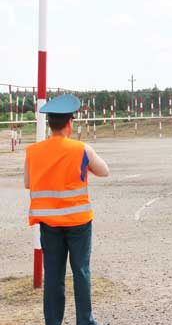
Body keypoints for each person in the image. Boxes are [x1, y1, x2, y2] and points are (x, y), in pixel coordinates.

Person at [24, 94, 109, 325]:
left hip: (49, 225)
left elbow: (28, 183)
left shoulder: (33, 152)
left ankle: (52, 322)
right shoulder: (81, 149)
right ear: (70, 123)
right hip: (78, 224)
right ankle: (85, 321)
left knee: (53, 276)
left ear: (50, 124)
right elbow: (104, 171)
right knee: (81, 272)